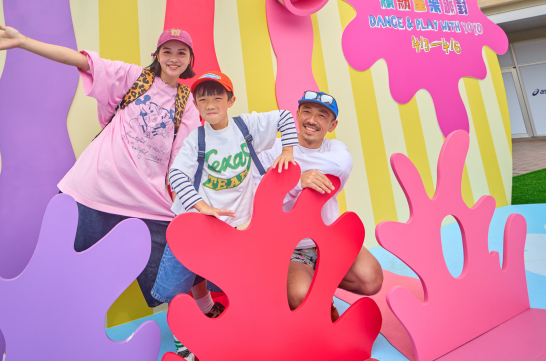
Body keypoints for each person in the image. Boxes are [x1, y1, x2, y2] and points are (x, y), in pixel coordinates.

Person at [0, 24, 201, 308]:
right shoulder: (134, 77)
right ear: (157, 55)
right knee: (64, 273)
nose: (173, 58)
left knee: (169, 281)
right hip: (94, 190)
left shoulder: (187, 103)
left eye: (181, 53)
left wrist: (192, 205)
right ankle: (40, 325)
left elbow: (181, 163)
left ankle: (202, 315)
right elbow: (80, 60)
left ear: (190, 60)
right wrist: (24, 42)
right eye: (167, 51)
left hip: (147, 201)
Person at [152, 71, 297, 360]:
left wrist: (288, 151)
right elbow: (176, 174)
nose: (210, 104)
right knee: (176, 283)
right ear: (196, 104)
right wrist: (200, 205)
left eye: (217, 97)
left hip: (232, 225)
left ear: (230, 100)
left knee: (233, 278)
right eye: (203, 99)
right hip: (194, 224)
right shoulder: (197, 139)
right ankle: (183, 335)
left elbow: (284, 117)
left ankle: (216, 314)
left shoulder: (246, 126)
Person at [261, 90, 384, 321]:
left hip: (330, 238)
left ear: (332, 125)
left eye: (321, 115)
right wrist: (299, 180)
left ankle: (322, 290)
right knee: (300, 297)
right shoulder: (273, 148)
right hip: (292, 249)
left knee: (371, 280)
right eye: (306, 111)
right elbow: (263, 196)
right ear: (297, 115)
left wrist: (283, 176)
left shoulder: (335, 149)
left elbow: (341, 166)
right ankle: (315, 297)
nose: (311, 120)